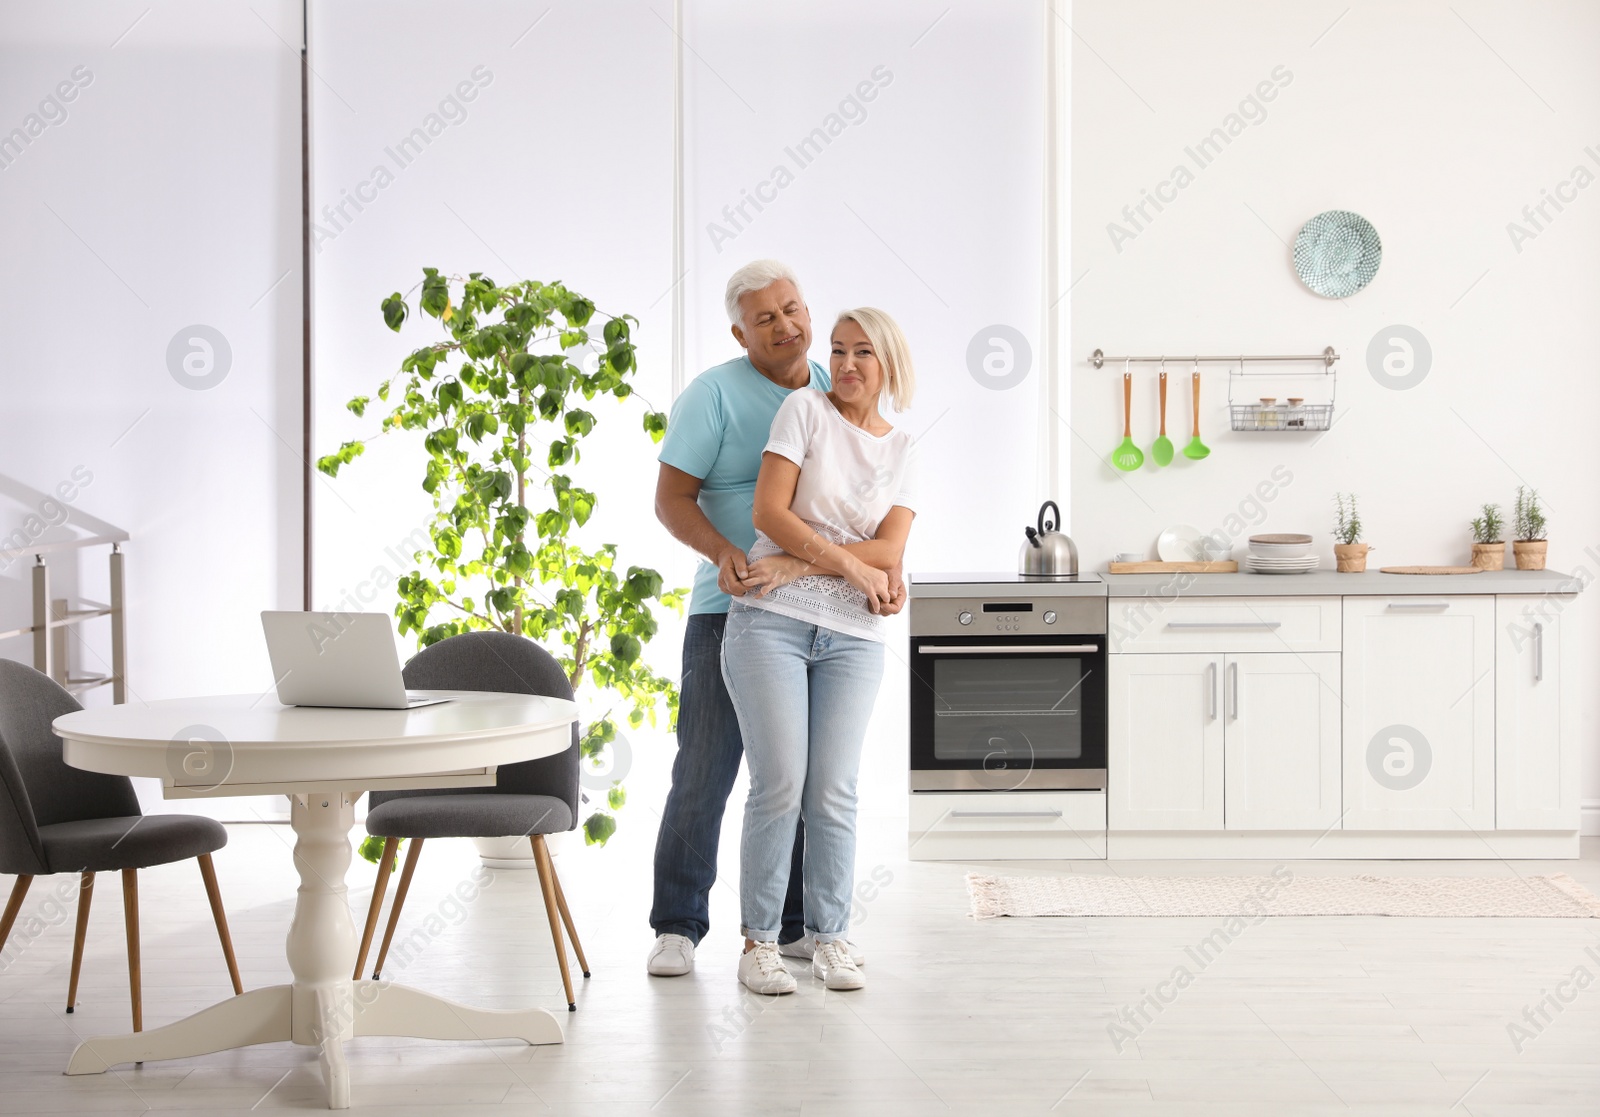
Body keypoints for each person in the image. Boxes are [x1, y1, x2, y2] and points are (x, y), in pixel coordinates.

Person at [647, 261, 901, 976]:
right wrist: (722, 550)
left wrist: (888, 568)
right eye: (766, 318)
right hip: (727, 604)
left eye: (793, 309)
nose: (786, 326)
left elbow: (872, 505)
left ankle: (794, 925)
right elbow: (671, 499)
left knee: (796, 773)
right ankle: (678, 923)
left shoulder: (837, 385)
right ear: (740, 331)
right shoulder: (713, 396)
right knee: (706, 768)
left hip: (818, 610)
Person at [721, 307, 917, 994]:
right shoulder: (803, 413)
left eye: (863, 352)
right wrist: (852, 564)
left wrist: (806, 564)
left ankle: (829, 935)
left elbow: (889, 551)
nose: (846, 365)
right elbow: (768, 515)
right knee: (780, 784)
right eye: (837, 351)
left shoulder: (901, 449)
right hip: (767, 623)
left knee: (833, 789)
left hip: (854, 635)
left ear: (888, 363)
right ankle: (760, 943)